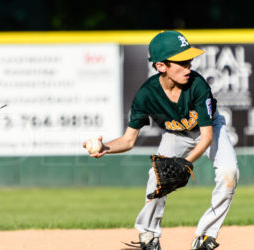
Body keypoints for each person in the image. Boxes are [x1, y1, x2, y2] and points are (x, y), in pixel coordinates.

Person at [84, 30, 239, 250]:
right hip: (176, 135)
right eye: (181, 62)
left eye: (189, 60)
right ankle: (149, 236)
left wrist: (185, 164)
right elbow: (128, 140)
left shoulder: (198, 85)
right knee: (157, 176)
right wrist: (105, 147)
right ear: (161, 66)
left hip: (209, 127)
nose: (188, 66)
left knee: (229, 172)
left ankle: (205, 236)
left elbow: (206, 136)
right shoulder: (146, 94)